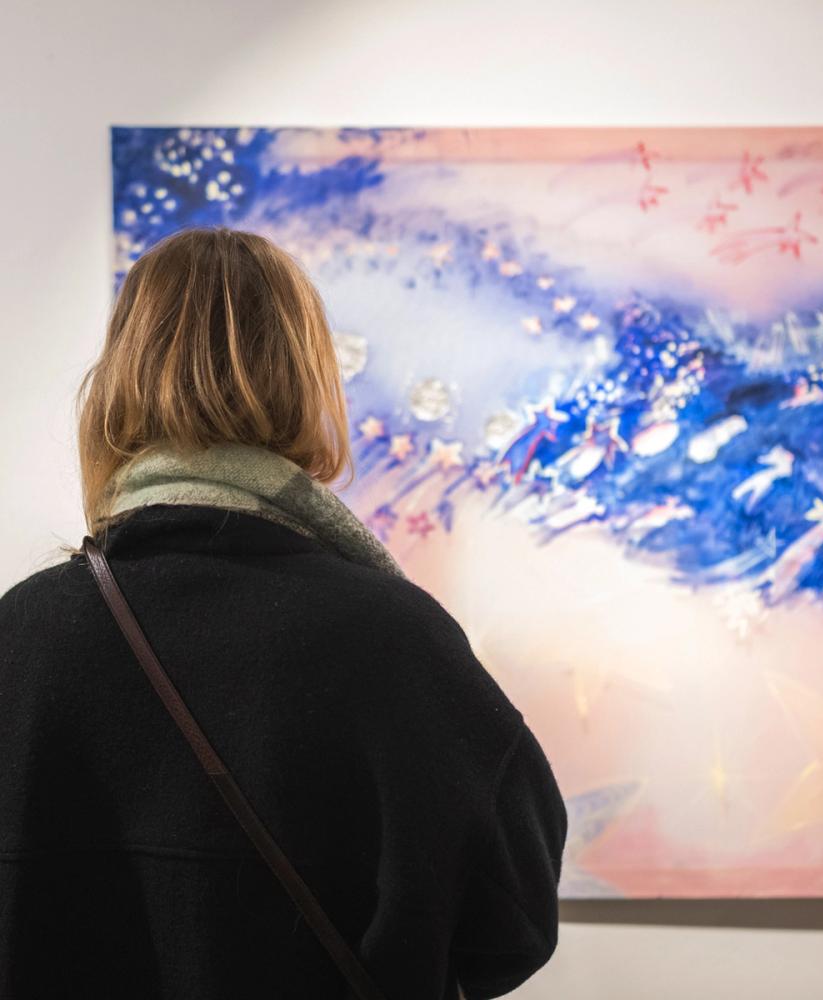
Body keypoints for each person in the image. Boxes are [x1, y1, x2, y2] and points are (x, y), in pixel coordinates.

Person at [0, 227, 568, 999]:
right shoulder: (395, 641)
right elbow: (514, 926)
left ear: (116, 378)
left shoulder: (21, 637)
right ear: (306, 378)